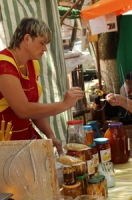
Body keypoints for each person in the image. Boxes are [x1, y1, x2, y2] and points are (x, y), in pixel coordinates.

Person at [0, 17, 84, 155]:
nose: (45, 48)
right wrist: (64, 104)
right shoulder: (4, 64)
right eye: (42, 43)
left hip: (24, 138)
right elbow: (23, 110)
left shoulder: (32, 64)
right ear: (27, 39)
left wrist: (49, 134)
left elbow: (33, 107)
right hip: (5, 144)